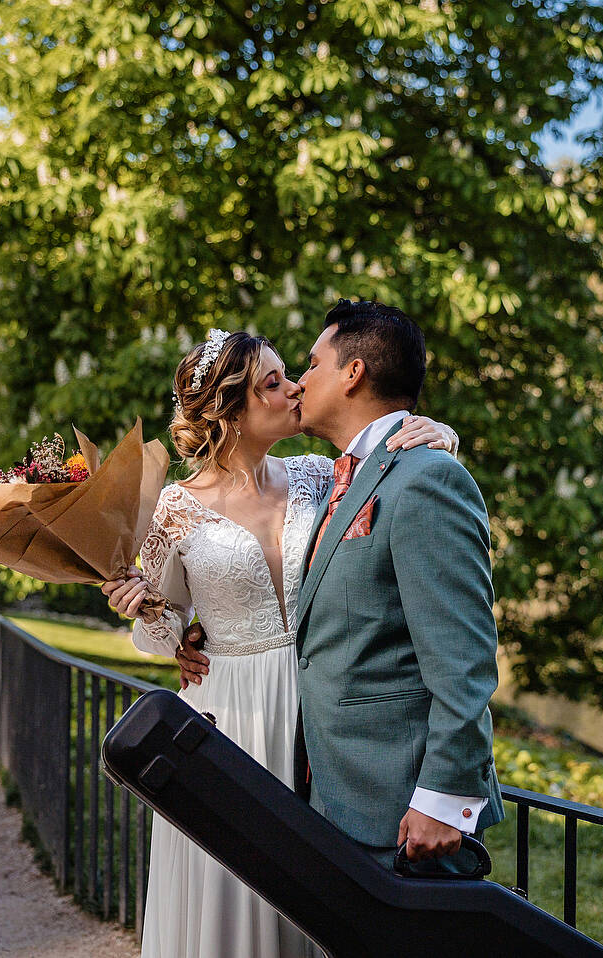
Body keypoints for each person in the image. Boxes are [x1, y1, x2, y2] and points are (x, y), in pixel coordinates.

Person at [101, 327, 460, 958]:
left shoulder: (320, 477)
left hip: (317, 705)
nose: (294, 387)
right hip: (227, 714)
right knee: (232, 882)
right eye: (273, 382)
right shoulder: (174, 511)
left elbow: (400, 489)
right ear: (229, 412)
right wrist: (143, 607)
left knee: (318, 889)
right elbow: (157, 637)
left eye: (290, 373)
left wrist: (441, 436)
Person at [179, 300, 505, 875]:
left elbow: (463, 658)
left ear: (353, 374)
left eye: (311, 363)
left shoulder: (425, 475)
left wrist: (445, 797)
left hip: (401, 808)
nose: (301, 383)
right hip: (320, 787)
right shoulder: (338, 476)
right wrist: (189, 625)